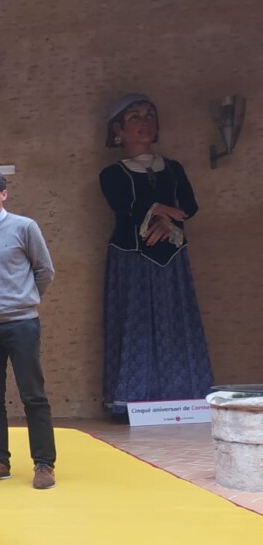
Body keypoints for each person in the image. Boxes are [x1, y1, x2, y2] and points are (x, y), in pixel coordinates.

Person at [100, 94, 213, 417]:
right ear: (118, 129)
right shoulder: (112, 174)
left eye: (149, 115)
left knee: (177, 320)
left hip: (171, 253)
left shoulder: (173, 168)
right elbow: (125, 208)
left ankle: (185, 395)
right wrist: (157, 213)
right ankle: (132, 399)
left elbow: (189, 205)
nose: (144, 123)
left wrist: (167, 219)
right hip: (132, 255)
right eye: (134, 117)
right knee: (135, 324)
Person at [0, 172, 58, 490]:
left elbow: (44, 270)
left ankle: (44, 464)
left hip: (21, 323)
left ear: (4, 194)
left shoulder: (24, 227)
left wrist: (23, 299)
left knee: (33, 395)